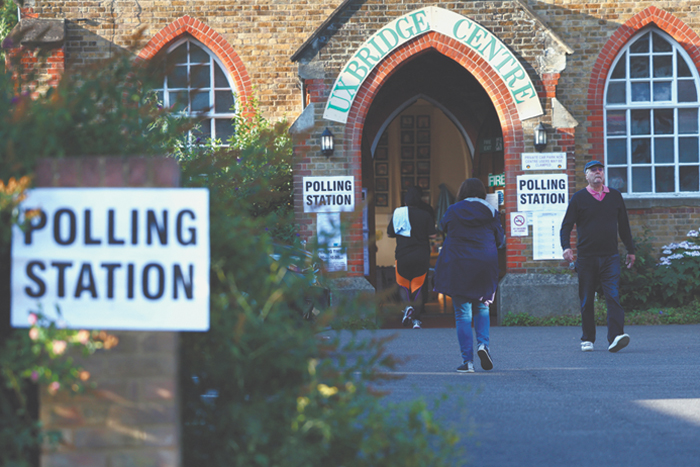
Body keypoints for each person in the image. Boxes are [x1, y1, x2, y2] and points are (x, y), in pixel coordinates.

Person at [560, 160, 636, 353]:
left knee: (613, 296)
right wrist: (566, 247)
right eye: (593, 170)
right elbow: (566, 225)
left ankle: (616, 336)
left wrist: (631, 250)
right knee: (586, 299)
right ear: (586, 175)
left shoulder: (615, 197)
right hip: (586, 258)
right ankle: (587, 338)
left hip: (610, 256)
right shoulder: (579, 198)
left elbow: (624, 226)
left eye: (600, 170)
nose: (598, 173)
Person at [433, 178, 504, 373]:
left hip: (458, 262)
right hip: (484, 262)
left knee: (462, 313)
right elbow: (500, 239)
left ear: (462, 192)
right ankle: (483, 345)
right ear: (482, 192)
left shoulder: (454, 209)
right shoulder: (491, 212)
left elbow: (442, 227)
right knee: (482, 307)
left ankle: (468, 362)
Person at [387, 186, 437, 329]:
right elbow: (432, 235)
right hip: (421, 255)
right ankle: (416, 320)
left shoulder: (398, 213)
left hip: (402, 254)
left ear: (406, 201)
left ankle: (408, 307)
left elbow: (390, 234)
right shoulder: (425, 214)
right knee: (418, 287)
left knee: (403, 285)